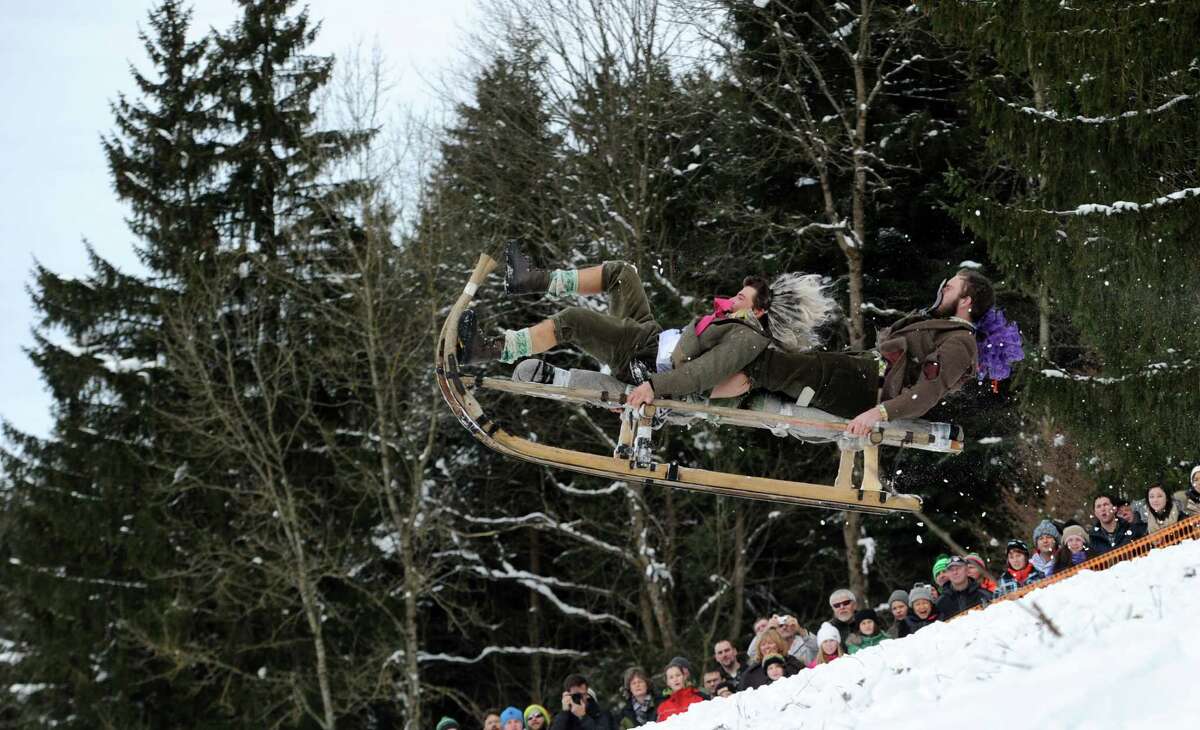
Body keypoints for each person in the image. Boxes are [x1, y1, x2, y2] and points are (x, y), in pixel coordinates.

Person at [458, 244, 788, 412]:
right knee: (623, 274)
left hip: (643, 357)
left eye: (741, 297)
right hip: (651, 336)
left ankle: (490, 349)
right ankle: (530, 279)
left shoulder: (746, 338)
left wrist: (654, 388)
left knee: (575, 320)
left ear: (758, 311)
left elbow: (701, 375)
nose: (732, 298)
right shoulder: (733, 325)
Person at [743, 269, 1014, 437]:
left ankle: (724, 370)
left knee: (770, 366)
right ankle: (732, 379)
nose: (942, 290)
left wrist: (877, 414)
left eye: (950, 288)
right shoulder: (943, 327)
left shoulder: (961, 342)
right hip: (858, 374)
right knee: (774, 369)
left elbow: (926, 394)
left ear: (965, 301)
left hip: (865, 385)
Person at [739, 628, 804, 690]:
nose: (767, 647)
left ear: (779, 644)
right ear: (759, 649)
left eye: (770, 643)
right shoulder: (751, 673)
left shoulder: (793, 663)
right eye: (763, 645)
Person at [747, 615, 817, 665]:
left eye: (787, 624)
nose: (784, 627)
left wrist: (799, 629)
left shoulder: (805, 641)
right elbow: (751, 654)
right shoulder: (772, 647)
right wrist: (767, 629)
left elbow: (818, 647)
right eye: (780, 626)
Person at [656, 657, 707, 722]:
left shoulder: (699, 699)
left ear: (684, 676)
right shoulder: (662, 706)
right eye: (671, 677)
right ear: (667, 682)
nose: (675, 679)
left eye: (678, 675)